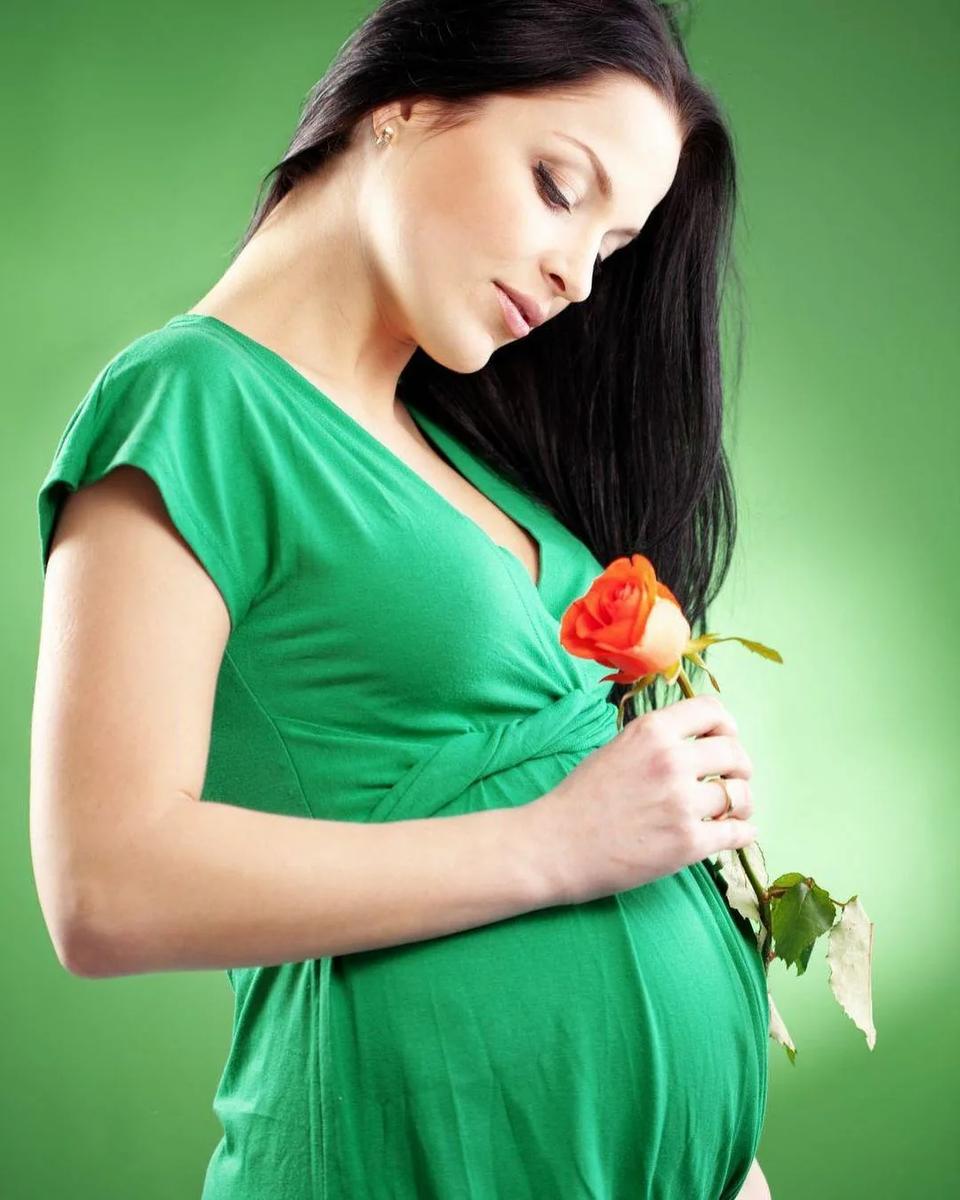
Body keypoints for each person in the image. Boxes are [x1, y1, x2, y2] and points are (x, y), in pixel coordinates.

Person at [30, 1, 772, 1197]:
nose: (578, 276)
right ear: (407, 103)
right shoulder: (196, 398)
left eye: (615, 245)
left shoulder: (469, 452)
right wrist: (559, 842)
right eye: (558, 187)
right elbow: (101, 886)